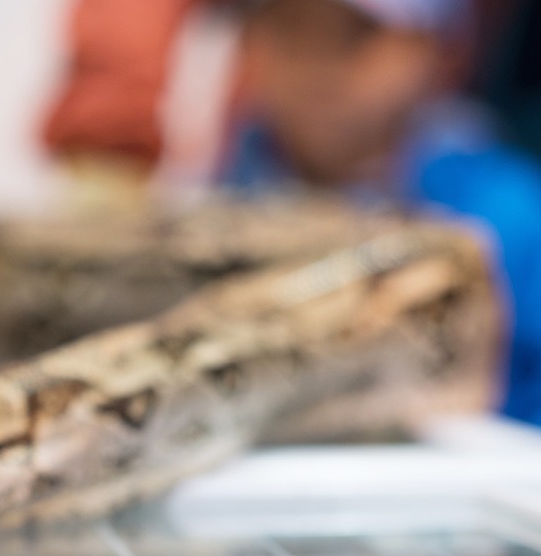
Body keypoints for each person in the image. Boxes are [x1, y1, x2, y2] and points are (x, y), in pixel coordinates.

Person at [222, 0, 541, 425]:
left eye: (356, 37)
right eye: (291, 30)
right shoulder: (212, 186)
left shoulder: (507, 217)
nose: (319, 65)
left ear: (441, 51)